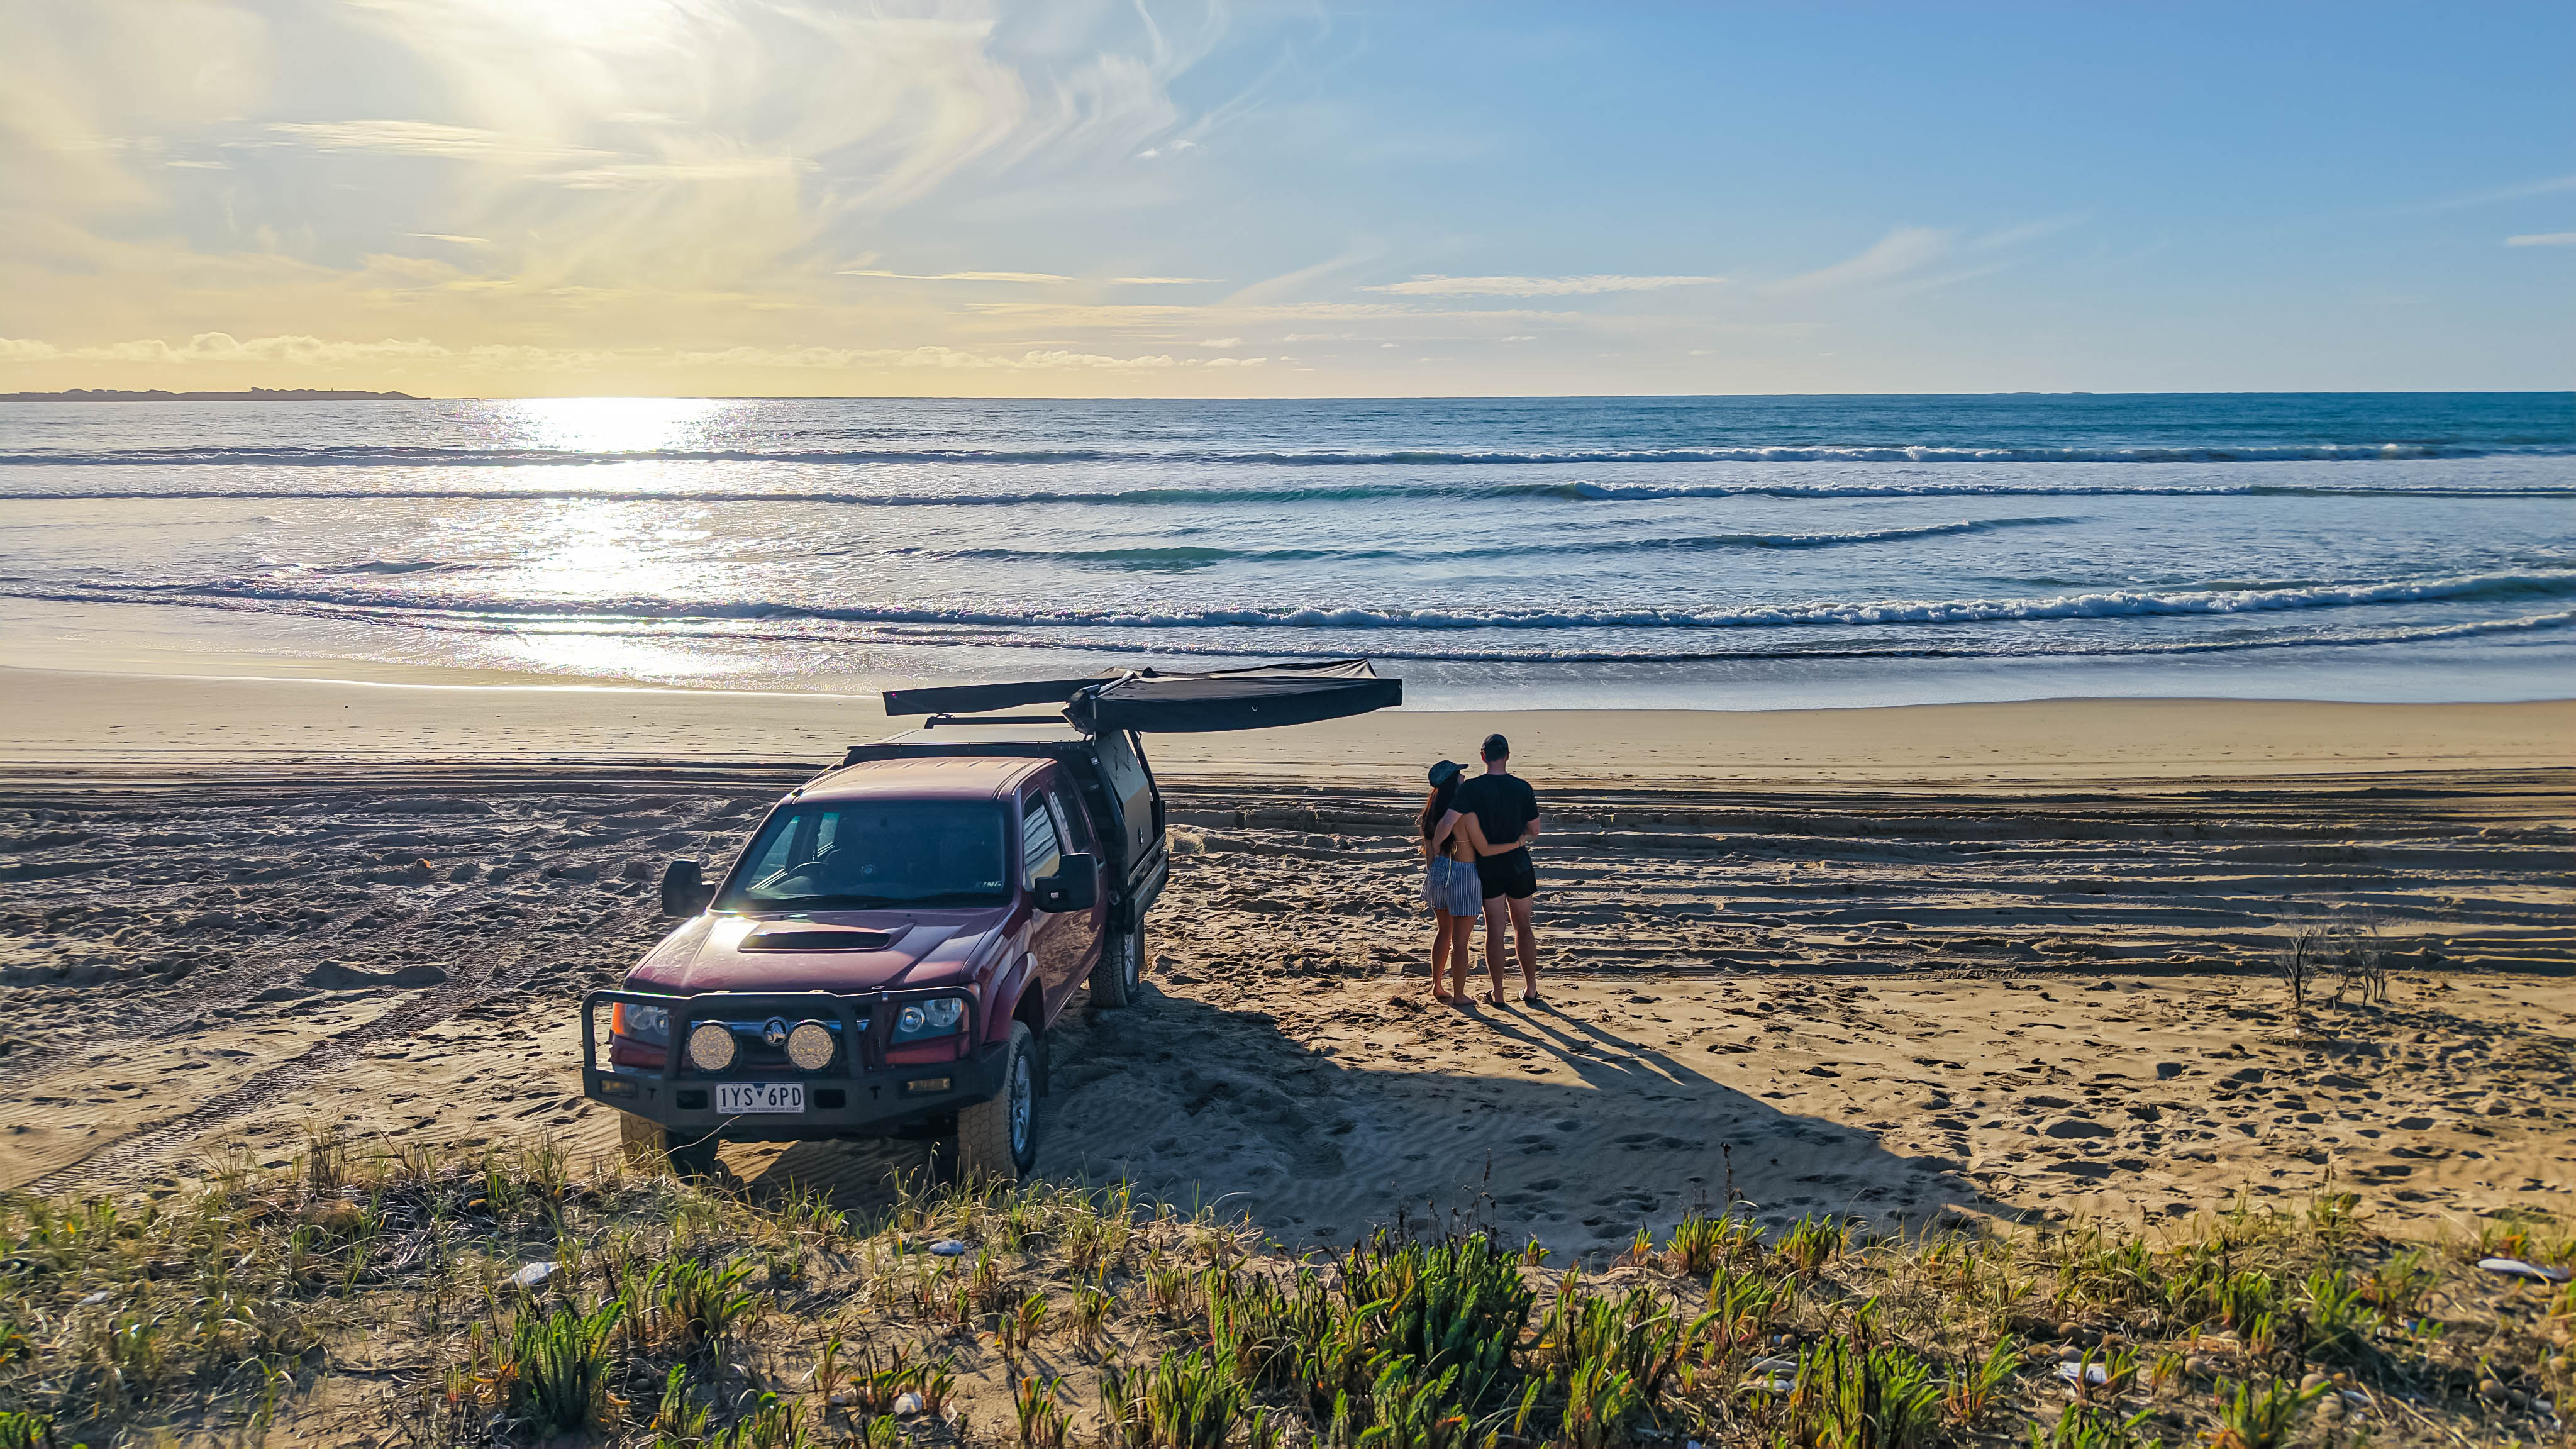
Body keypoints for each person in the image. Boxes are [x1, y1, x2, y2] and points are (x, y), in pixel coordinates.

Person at [1450, 732, 1541, 1003]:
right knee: (1523, 926)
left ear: (1483, 757)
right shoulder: (1523, 788)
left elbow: (1451, 821)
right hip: (1518, 862)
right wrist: (1519, 837)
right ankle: (1531, 988)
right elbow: (1535, 830)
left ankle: (1499, 994)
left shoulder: (1472, 788)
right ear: (1508, 756)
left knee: (1495, 930)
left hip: (1489, 865)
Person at [1417, 760, 1479, 1003]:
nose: (1463, 777)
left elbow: (1430, 856)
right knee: (1461, 941)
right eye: (1459, 774)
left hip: (1439, 872)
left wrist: (1436, 874)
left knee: (1444, 931)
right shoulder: (1460, 811)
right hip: (1461, 872)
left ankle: (1437, 985)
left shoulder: (1430, 813)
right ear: (1453, 781)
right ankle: (1460, 994)